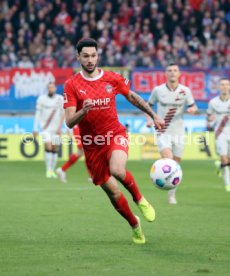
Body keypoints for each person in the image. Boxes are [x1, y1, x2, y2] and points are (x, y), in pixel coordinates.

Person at [63, 38, 164, 244]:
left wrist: (153, 115)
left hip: (114, 134)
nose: (90, 60)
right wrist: (83, 111)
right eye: (85, 56)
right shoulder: (72, 84)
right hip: (92, 146)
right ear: (78, 57)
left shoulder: (111, 78)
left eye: (93, 55)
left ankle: (140, 199)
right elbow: (69, 122)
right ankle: (135, 226)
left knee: (118, 170)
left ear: (98, 55)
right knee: (113, 192)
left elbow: (133, 97)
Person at [146, 63, 198, 204]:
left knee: (176, 163)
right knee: (168, 158)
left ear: (179, 73)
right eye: (169, 70)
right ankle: (165, 185)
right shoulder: (158, 90)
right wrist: (150, 119)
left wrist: (193, 110)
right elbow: (148, 106)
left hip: (179, 132)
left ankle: (171, 193)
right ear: (166, 73)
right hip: (163, 131)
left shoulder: (185, 91)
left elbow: (193, 105)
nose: (172, 73)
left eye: (175, 70)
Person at [33, 82, 64, 178]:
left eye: (52, 87)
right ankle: (48, 170)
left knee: (55, 148)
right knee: (49, 146)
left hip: (56, 129)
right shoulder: (41, 99)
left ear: (55, 89)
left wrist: (61, 127)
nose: (51, 89)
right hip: (45, 128)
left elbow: (63, 114)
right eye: (49, 88)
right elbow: (37, 114)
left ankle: (52, 170)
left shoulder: (60, 99)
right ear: (47, 89)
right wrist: (35, 128)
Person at [207, 78, 230, 192]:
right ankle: (228, 184)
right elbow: (209, 116)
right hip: (220, 133)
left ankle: (220, 165)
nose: (225, 87)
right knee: (224, 158)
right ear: (219, 87)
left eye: (227, 84)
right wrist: (210, 120)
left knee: (226, 160)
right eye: (222, 85)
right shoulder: (213, 102)